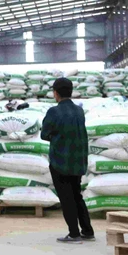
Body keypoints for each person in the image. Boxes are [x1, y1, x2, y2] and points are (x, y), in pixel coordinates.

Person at [41, 77, 94, 244]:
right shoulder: (79, 111)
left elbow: (44, 134)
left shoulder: (54, 112)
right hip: (78, 160)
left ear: (55, 93)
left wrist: (56, 136)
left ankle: (73, 233)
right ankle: (87, 231)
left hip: (60, 161)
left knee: (66, 198)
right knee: (77, 195)